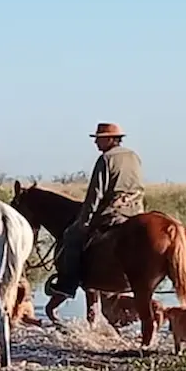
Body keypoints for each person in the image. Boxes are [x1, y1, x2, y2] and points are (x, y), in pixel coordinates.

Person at [47, 122, 144, 300]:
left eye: (99, 139)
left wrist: (84, 220)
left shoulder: (106, 159)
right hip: (136, 211)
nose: (96, 143)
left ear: (110, 139)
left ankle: (67, 285)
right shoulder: (133, 156)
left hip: (112, 213)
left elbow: (95, 194)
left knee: (71, 236)